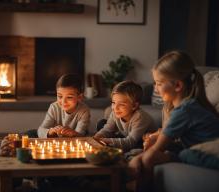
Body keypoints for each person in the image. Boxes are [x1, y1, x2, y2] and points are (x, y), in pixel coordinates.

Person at [128, 51, 219, 191]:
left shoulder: (184, 110)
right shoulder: (188, 105)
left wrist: (137, 159)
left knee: (177, 155)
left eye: (159, 83)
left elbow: (154, 151)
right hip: (202, 149)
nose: (155, 88)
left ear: (177, 86)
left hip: (214, 154)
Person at [94, 80, 156, 152]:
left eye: (121, 104)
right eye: (113, 102)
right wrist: (96, 138)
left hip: (138, 140)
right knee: (102, 123)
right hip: (126, 136)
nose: (115, 108)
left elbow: (131, 141)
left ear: (134, 106)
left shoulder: (140, 117)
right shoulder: (115, 112)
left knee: (138, 144)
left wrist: (106, 141)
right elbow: (107, 129)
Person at [37, 74, 91, 138]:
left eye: (69, 97)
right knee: (30, 133)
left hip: (72, 142)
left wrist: (73, 133)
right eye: (60, 96)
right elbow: (41, 130)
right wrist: (50, 132)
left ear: (79, 97)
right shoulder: (54, 107)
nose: (63, 101)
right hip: (56, 141)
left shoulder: (84, 110)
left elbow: (81, 134)